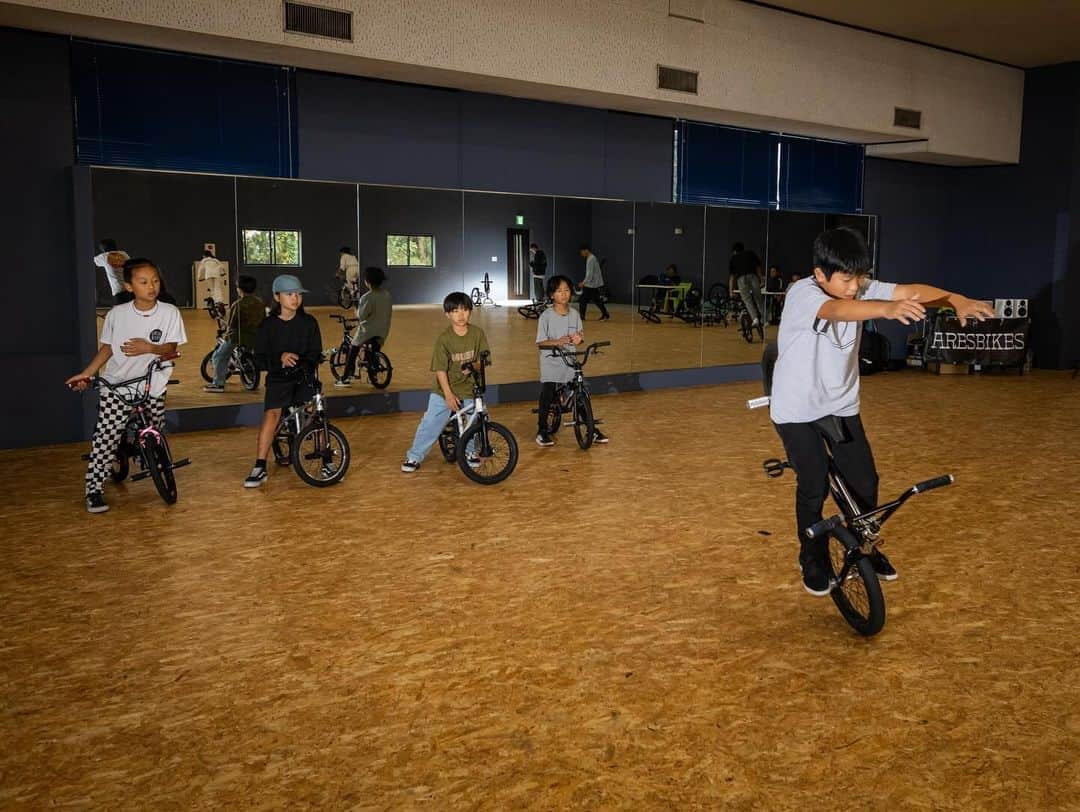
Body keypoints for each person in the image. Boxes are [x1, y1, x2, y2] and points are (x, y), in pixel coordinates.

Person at [769, 226, 994, 596]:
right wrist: (887, 310)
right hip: (797, 409)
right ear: (821, 274)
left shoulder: (858, 286)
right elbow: (838, 309)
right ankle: (812, 554)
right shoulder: (802, 294)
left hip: (840, 403)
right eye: (847, 278)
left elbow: (910, 291)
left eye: (860, 277)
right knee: (814, 483)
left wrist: (955, 298)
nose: (856, 286)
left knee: (865, 483)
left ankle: (863, 548)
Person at [66, 258, 187, 513]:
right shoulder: (117, 315)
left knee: (157, 431)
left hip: (152, 383)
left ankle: (157, 463)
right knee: (106, 438)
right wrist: (87, 374)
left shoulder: (169, 312)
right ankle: (94, 490)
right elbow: (108, 348)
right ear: (130, 286)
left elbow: (171, 347)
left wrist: (149, 348)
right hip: (118, 385)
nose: (151, 286)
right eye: (143, 282)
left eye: (154, 281)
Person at [243, 275, 322, 488]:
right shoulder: (267, 326)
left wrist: (305, 363)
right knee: (272, 414)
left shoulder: (309, 323)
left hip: (303, 376)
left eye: (298, 294)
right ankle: (260, 466)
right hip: (278, 378)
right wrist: (279, 358)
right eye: (289, 294)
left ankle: (326, 460)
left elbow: (316, 352)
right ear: (277, 297)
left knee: (315, 414)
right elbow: (258, 359)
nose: (295, 298)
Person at [400, 292, 490, 473]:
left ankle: (470, 452)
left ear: (470, 311)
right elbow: (440, 370)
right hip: (444, 388)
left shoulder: (477, 334)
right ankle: (414, 456)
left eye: (465, 310)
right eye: (455, 311)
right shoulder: (444, 339)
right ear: (447, 314)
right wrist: (448, 395)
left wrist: (474, 364)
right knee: (431, 421)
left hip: (470, 387)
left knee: (478, 419)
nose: (461, 315)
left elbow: (485, 360)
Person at [535, 276, 608, 447]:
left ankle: (591, 429)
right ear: (552, 294)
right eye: (559, 291)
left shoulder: (575, 314)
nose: (564, 294)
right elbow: (540, 342)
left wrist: (578, 339)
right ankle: (542, 430)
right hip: (551, 361)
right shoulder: (546, 316)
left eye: (567, 290)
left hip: (569, 361)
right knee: (548, 392)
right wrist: (558, 341)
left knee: (579, 393)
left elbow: (580, 337)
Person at [203, 275, 265, 393]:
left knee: (218, 356)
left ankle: (218, 384)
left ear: (239, 289)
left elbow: (232, 325)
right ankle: (250, 375)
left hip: (239, 337)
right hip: (256, 337)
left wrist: (225, 331)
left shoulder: (238, 304)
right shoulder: (260, 303)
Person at [335, 266, 393, 388]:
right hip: (383, 330)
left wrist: (356, 310)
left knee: (354, 348)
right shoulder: (387, 295)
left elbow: (361, 316)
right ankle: (374, 373)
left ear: (367, 282)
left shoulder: (367, 297)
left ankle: (345, 377)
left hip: (368, 331)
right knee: (374, 350)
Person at [729, 242, 764, 331]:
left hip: (741, 279)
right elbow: (758, 267)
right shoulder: (750, 253)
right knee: (758, 297)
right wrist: (762, 279)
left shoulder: (733, 258)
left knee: (747, 300)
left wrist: (731, 291)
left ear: (734, 251)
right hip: (753, 276)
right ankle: (764, 318)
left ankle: (755, 319)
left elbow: (732, 277)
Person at [577, 244, 610, 321]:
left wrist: (583, 283)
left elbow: (590, 274)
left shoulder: (591, 259)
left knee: (583, 300)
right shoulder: (591, 258)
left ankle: (582, 317)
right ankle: (605, 314)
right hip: (592, 284)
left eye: (582, 252)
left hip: (591, 284)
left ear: (586, 250)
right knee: (596, 300)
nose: (581, 254)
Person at [93, 239, 130, 305]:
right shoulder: (124, 254)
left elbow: (90, 260)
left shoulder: (104, 256)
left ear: (103, 248)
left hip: (119, 292)